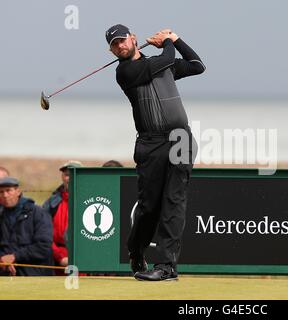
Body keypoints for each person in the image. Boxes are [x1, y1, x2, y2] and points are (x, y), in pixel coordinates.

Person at [105, 24, 205, 281]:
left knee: (174, 202)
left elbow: (197, 65)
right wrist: (168, 41)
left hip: (181, 140)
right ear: (112, 50)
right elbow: (167, 59)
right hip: (151, 144)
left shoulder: (163, 64)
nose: (120, 46)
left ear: (133, 39)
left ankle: (166, 267)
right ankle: (136, 250)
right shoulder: (126, 71)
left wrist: (177, 39)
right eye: (114, 45)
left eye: (122, 41)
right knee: (149, 207)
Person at [0, 177, 54, 276]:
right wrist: (3, 260)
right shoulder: (1, 215)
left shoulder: (38, 213)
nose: (5, 195)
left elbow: (43, 246)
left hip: (36, 274)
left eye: (8, 190)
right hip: (6, 274)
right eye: (1, 192)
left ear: (18, 191)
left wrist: (14, 257)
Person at [43, 160, 82, 272]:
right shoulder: (51, 203)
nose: (68, 178)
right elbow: (43, 234)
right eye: (66, 175)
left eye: (73, 174)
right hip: (56, 260)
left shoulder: (91, 201)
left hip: (84, 258)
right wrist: (60, 257)